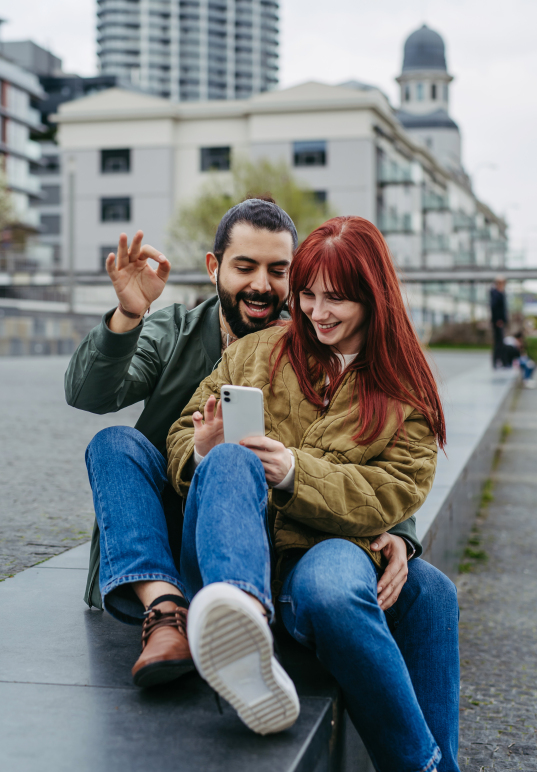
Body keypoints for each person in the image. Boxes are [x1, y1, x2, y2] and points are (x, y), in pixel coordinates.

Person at [65, 200, 419, 687]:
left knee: (432, 594)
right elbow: (89, 394)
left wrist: (401, 532)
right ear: (215, 268)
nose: (261, 285)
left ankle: (241, 611)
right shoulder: (173, 332)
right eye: (244, 267)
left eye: (279, 270)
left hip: (267, 537)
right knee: (113, 444)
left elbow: (368, 438)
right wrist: (129, 314)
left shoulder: (315, 336)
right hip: (168, 527)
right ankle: (166, 612)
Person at [166, 217, 460, 772]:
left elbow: (397, 489)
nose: (317, 313)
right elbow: (179, 436)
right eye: (307, 295)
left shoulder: (404, 387)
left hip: (322, 552)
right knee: (230, 456)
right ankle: (241, 616)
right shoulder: (254, 353)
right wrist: (203, 446)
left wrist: (293, 472)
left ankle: (430, 766)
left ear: (374, 297)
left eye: (337, 299)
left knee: (428, 594)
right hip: (236, 549)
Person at [490, 277, 508, 368]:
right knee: (498, 343)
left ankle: (500, 361)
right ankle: (497, 362)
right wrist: (498, 320)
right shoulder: (495, 293)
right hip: (498, 322)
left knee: (500, 342)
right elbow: (494, 308)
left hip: (500, 321)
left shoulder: (500, 293)